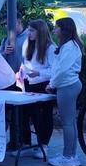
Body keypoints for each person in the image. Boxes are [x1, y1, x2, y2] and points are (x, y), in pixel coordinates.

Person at [46, 17, 84, 166]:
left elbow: (62, 69)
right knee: (71, 122)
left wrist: (52, 84)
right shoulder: (69, 45)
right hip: (68, 85)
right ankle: (71, 155)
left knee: (67, 123)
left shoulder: (69, 46)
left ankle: (68, 156)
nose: (54, 30)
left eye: (57, 28)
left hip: (67, 86)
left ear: (64, 30)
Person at [19, 19, 57, 158]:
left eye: (31, 30)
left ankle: (43, 145)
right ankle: (26, 144)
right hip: (29, 84)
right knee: (24, 113)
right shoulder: (27, 44)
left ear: (40, 31)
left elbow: (55, 70)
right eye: (28, 30)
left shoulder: (50, 47)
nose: (28, 33)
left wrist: (39, 73)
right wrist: (21, 74)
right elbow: (25, 64)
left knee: (43, 116)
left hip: (44, 85)